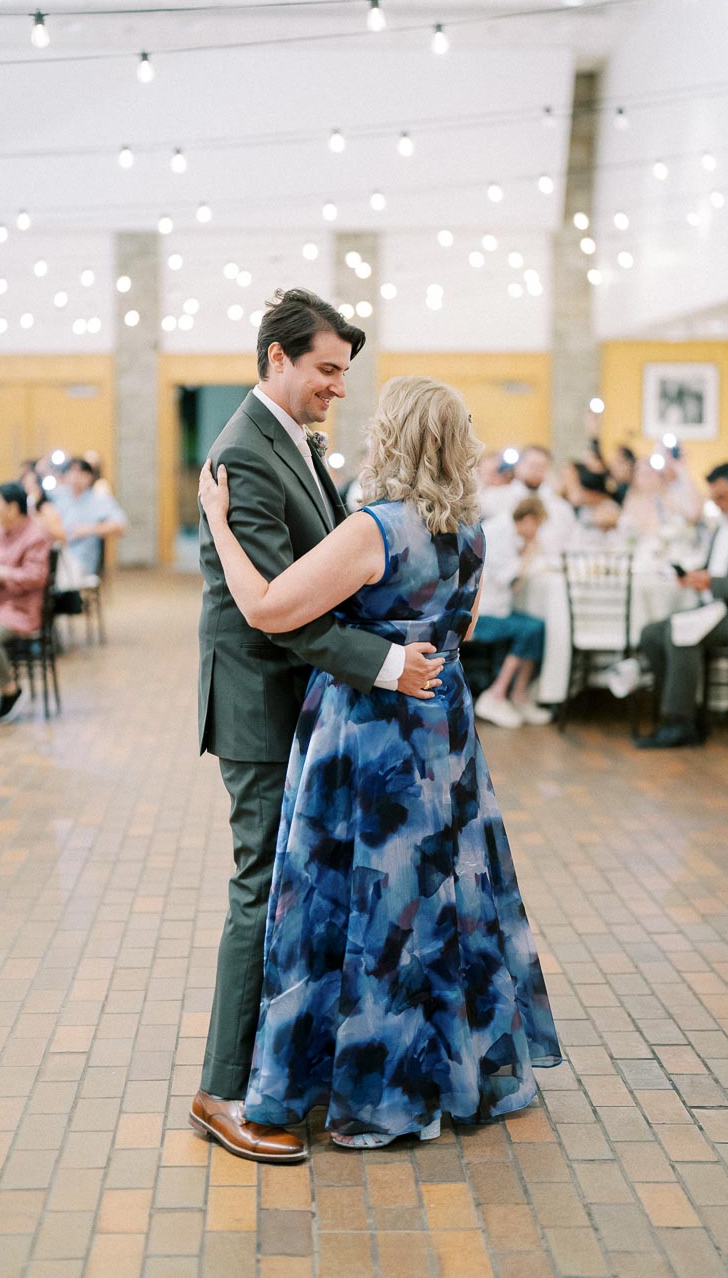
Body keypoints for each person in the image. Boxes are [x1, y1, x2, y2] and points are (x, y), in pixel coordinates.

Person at [199, 373, 561, 1149]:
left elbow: (266, 609)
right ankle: (449, 1070)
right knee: (442, 894)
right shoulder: (470, 530)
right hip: (445, 728)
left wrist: (221, 528)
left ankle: (375, 1080)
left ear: (390, 438)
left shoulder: (374, 531)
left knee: (366, 900)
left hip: (370, 735)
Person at [191, 289, 446, 1165]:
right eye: (327, 369)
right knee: (260, 888)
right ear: (277, 359)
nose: (340, 386)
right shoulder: (244, 455)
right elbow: (281, 611)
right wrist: (387, 664)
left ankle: (286, 1072)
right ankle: (223, 1091)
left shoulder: (290, 440)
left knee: (300, 892)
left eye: (345, 371)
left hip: (308, 701)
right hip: (260, 700)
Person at [634, 462, 728, 748]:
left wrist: (714, 583)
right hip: (712, 608)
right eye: (713, 498)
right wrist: (694, 577)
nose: (716, 504)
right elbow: (715, 566)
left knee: (680, 633)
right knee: (652, 634)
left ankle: (680, 723)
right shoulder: (722, 526)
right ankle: (679, 710)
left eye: (720, 497)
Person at [0, 482, 51, 723]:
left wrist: (1, 572)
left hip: (19, 608)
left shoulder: (37, 535)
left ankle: (9, 691)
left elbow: (36, 578)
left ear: (13, 508)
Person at [472, 496, 552, 728]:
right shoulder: (498, 534)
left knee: (537, 627)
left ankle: (518, 694)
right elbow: (513, 581)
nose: (535, 532)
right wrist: (529, 553)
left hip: (496, 607)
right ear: (529, 520)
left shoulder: (506, 531)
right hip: (483, 613)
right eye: (537, 526)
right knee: (530, 629)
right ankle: (496, 694)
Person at [51, 457, 126, 577]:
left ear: (89, 477)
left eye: (80, 472)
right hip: (56, 552)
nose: (75, 476)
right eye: (71, 471)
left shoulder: (99, 499)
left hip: (80, 558)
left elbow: (120, 526)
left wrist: (88, 529)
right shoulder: (59, 495)